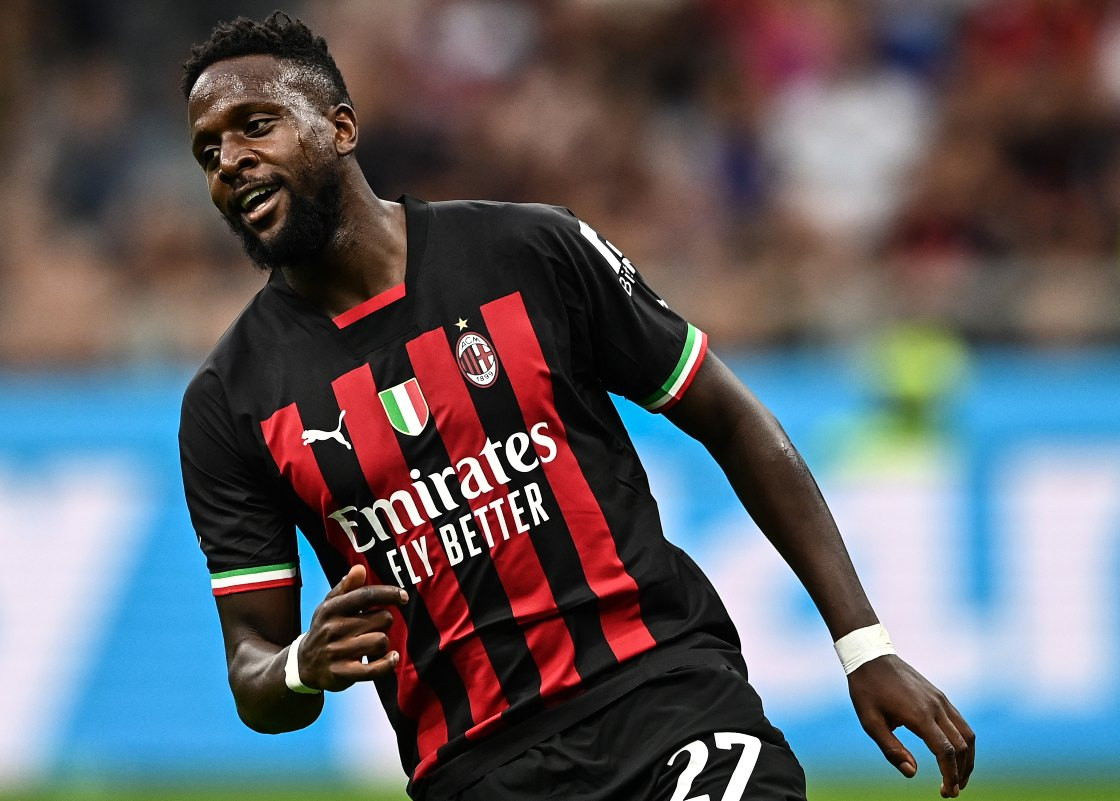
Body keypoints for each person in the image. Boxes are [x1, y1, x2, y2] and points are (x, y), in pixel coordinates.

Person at [177, 13, 975, 801]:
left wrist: (863, 643)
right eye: (209, 152)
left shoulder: (530, 253)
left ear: (341, 127)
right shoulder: (228, 401)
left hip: (664, 701)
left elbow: (732, 420)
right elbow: (255, 670)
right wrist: (300, 664)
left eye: (257, 126)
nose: (231, 161)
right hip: (476, 771)